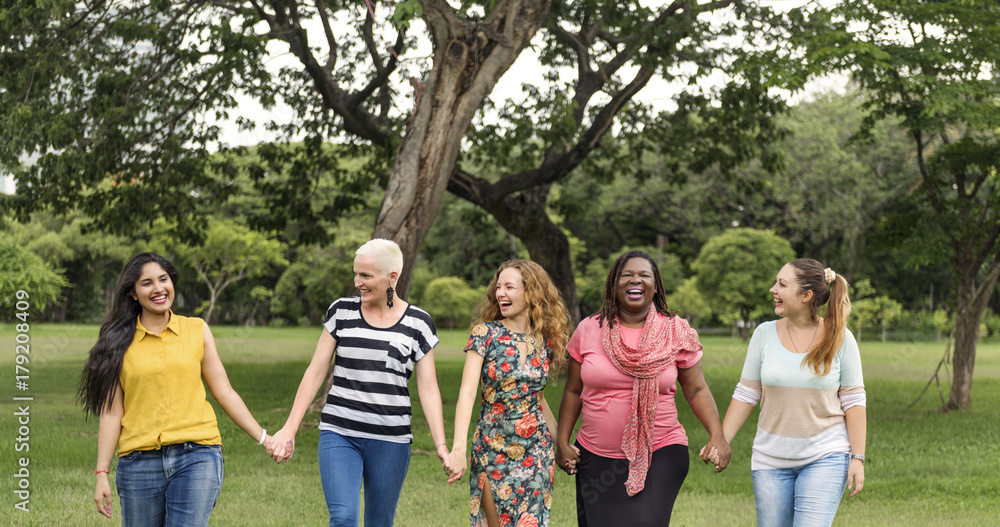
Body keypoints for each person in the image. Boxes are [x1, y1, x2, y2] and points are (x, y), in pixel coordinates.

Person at [79, 252, 272, 526]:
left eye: (163, 279)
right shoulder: (117, 342)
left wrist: (264, 438)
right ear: (133, 293)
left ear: (172, 283)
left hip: (197, 454)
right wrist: (101, 472)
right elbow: (111, 412)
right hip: (138, 462)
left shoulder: (197, 330)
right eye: (146, 283)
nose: (158, 288)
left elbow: (225, 392)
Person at [267, 238, 449, 527]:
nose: (357, 282)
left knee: (379, 522)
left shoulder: (418, 323)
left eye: (366, 276)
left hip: (391, 440)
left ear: (392, 277)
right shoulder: (341, 312)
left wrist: (441, 444)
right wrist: (290, 428)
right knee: (343, 518)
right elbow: (316, 371)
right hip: (339, 432)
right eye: (356, 274)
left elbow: (428, 389)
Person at [555, 250, 730, 527]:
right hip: (596, 456)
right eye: (626, 275)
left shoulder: (675, 331)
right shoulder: (590, 329)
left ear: (655, 285)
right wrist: (562, 441)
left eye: (644, 275)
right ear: (614, 284)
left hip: (660, 451)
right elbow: (573, 390)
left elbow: (696, 389)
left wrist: (717, 435)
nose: (635, 280)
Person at [707, 258, 866, 527]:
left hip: (825, 456)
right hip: (770, 460)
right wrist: (720, 441)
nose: (773, 290)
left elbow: (853, 401)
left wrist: (857, 458)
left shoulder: (839, 337)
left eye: (782, 284)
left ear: (806, 296)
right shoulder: (763, 334)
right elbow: (747, 393)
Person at [446, 260, 570, 527]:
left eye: (509, 287)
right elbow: (467, 394)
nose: (501, 293)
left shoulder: (544, 342)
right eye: (498, 287)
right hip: (493, 449)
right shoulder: (485, 335)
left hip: (536, 450)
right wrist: (458, 449)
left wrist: (562, 444)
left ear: (531, 292)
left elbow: (538, 398)